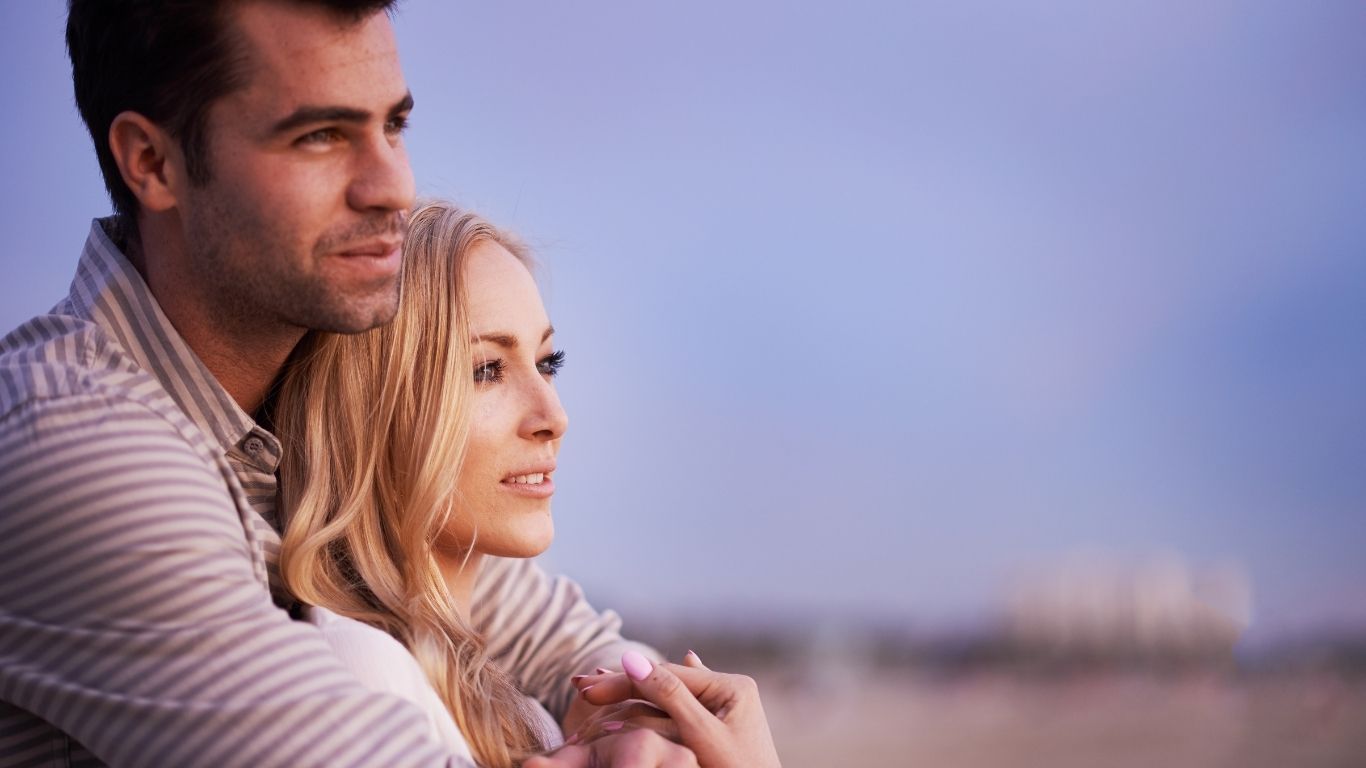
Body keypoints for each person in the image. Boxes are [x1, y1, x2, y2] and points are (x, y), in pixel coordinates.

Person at [0, 2, 669, 765]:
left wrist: (655, 723)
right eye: (319, 136)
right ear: (152, 162)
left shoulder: (300, 386)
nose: (391, 188)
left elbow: (543, 638)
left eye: (394, 127)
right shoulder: (76, 449)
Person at [271, 200, 782, 768]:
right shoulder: (366, 676)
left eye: (547, 363)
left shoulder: (475, 667)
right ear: (372, 412)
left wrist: (638, 712)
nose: (554, 416)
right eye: (487, 369)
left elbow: (570, 638)